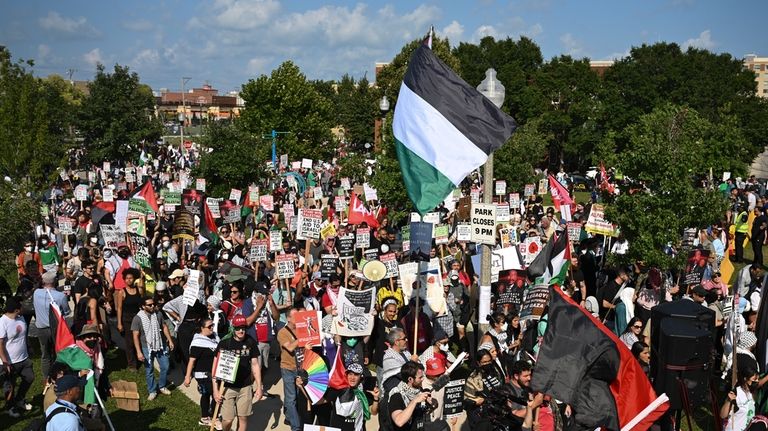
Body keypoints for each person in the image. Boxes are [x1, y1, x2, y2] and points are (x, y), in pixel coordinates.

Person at [212, 315, 263, 431]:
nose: (241, 331)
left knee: (243, 418)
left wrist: (259, 387)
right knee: (228, 419)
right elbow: (215, 368)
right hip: (227, 387)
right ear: (233, 328)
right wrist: (215, 390)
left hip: (245, 386)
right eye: (238, 328)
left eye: (243, 328)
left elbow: (255, 365)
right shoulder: (224, 344)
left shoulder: (250, 342)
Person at [132, 296, 174, 400]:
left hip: (160, 344)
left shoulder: (158, 314)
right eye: (149, 305)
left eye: (153, 304)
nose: (152, 306)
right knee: (149, 370)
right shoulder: (137, 318)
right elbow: (135, 336)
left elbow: (164, 327)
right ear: (143, 306)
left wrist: (170, 340)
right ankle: (152, 390)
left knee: (165, 366)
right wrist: (138, 352)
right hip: (147, 348)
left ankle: (162, 386)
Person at [184, 318, 220, 429]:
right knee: (212, 395)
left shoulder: (214, 338)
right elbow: (192, 361)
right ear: (202, 328)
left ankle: (212, 415)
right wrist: (187, 377)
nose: (212, 328)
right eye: (209, 326)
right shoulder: (197, 342)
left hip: (213, 374)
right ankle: (207, 418)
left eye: (212, 325)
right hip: (203, 375)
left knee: (212, 395)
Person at [0, 297, 33, 417]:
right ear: (16, 310)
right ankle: (10, 407)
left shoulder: (21, 318)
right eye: (21, 305)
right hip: (10, 361)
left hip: (23, 358)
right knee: (10, 385)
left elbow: (23, 335)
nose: (23, 306)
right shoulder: (2, 322)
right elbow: (1, 344)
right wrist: (5, 362)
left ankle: (20, 399)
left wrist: (29, 348)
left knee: (29, 377)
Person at [33, 271, 70, 377]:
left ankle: (46, 379)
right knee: (58, 352)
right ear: (55, 281)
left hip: (41, 329)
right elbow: (66, 312)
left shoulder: (36, 293)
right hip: (56, 329)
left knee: (45, 355)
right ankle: (59, 375)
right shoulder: (60, 296)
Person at [323, 362, 380, 431]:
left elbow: (373, 412)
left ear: (361, 377)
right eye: (350, 374)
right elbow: (321, 400)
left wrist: (376, 398)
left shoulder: (364, 392)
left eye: (356, 375)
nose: (352, 378)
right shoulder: (338, 389)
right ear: (346, 375)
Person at [388, 361, 436, 431]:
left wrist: (431, 404)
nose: (423, 379)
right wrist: (414, 401)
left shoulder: (420, 390)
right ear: (410, 379)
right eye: (420, 377)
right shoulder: (397, 395)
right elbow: (399, 421)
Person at [277, 308, 304, 431]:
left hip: (300, 368)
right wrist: (304, 337)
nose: (299, 318)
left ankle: (288, 415)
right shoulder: (282, 333)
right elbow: (290, 348)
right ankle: (296, 427)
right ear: (288, 318)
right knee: (291, 398)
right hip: (287, 368)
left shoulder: (301, 329)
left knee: (298, 396)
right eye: (296, 316)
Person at [115, 268, 143, 370]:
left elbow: (142, 304)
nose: (129, 280)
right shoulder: (121, 292)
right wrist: (119, 323)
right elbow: (119, 308)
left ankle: (141, 357)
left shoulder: (139, 290)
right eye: (126, 278)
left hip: (138, 318)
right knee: (129, 342)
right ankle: (132, 364)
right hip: (127, 319)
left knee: (140, 339)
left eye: (131, 278)